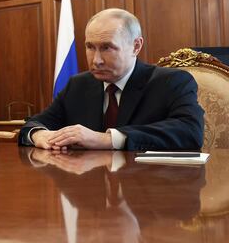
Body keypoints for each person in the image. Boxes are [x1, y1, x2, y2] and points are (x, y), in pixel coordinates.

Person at [19, 8, 204, 151]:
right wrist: (39, 135)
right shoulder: (78, 85)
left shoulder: (171, 82)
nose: (96, 60)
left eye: (107, 48)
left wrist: (107, 139)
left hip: (149, 191)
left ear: (136, 46)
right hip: (91, 189)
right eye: (90, 47)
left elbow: (190, 131)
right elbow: (35, 124)